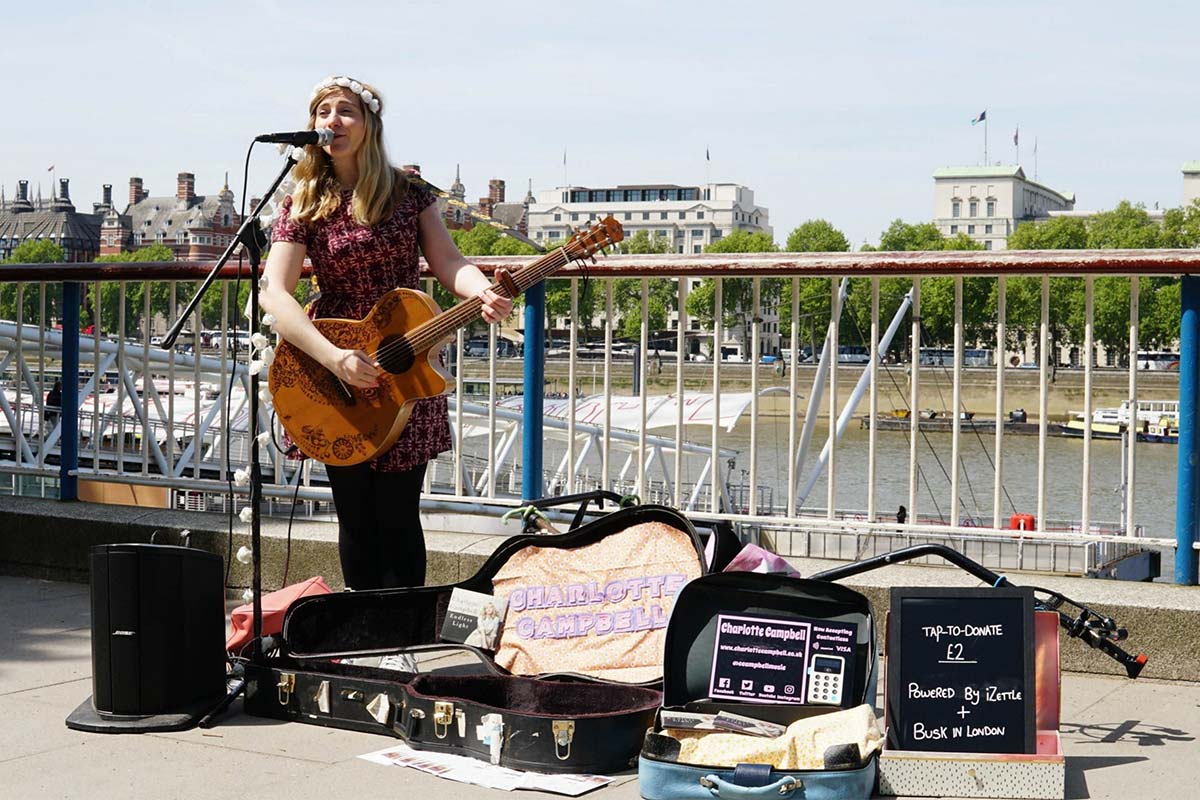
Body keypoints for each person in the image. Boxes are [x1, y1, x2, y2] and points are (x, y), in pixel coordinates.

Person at [261, 76, 513, 590]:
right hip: (332, 367)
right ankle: (364, 638)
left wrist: (481, 290)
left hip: (405, 363)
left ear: (370, 124)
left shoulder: (408, 192)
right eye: (323, 111)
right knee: (355, 518)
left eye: (346, 110)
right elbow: (275, 294)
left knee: (398, 516)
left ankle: (405, 638)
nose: (333, 120)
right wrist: (334, 359)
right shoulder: (302, 200)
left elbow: (449, 261)